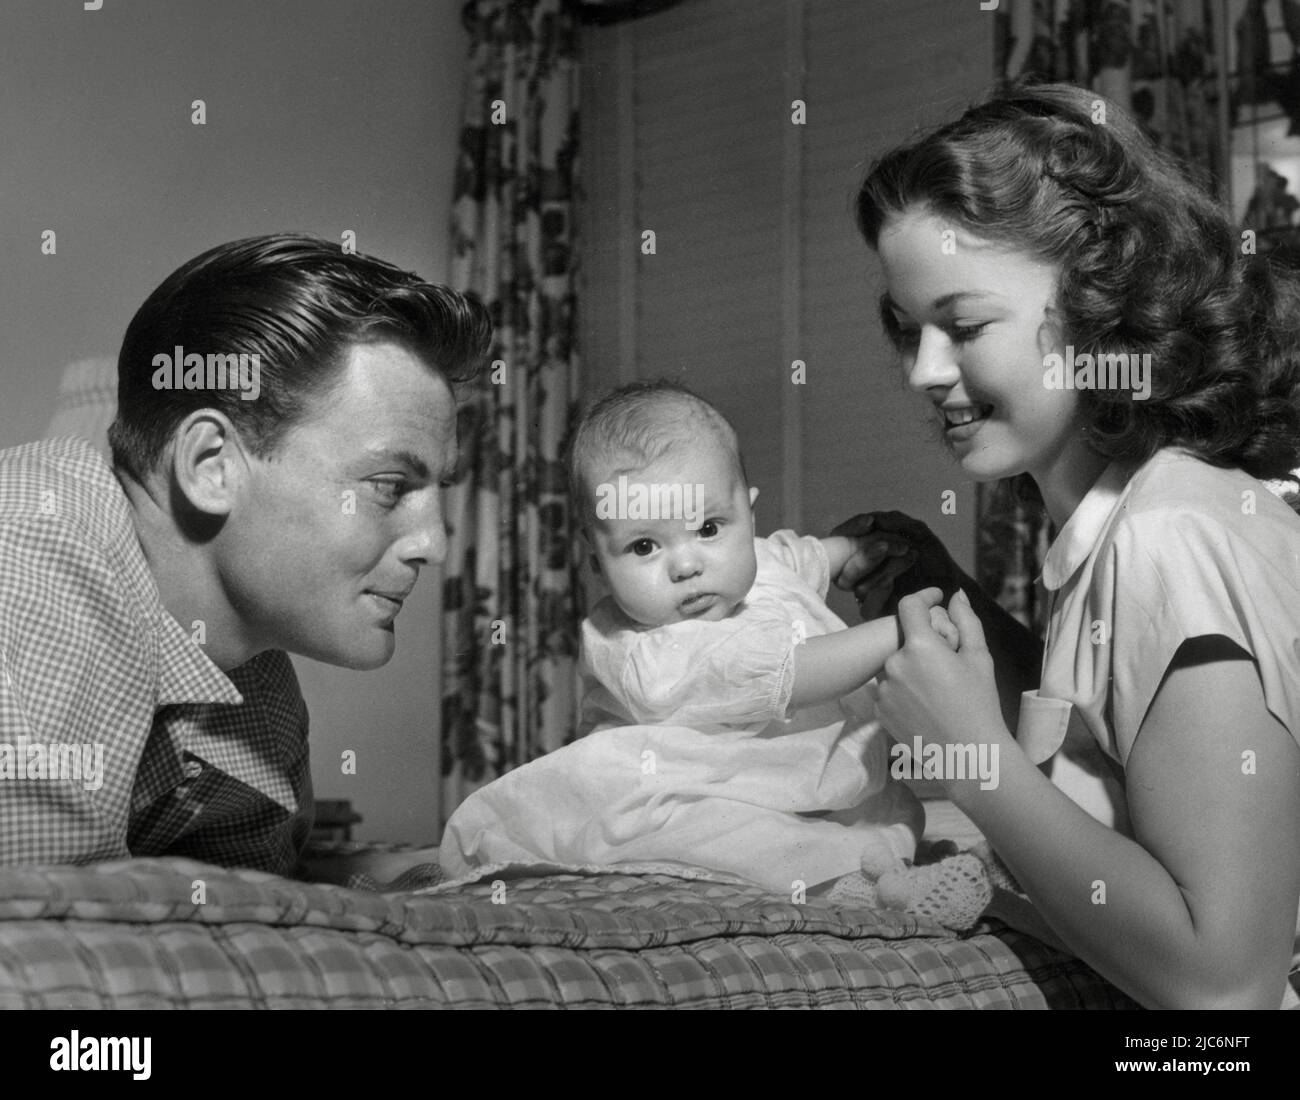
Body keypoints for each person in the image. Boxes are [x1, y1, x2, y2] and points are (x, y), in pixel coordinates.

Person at [833, 81, 1300, 1009]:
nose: (924, 372)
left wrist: (969, 755)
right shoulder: (1132, 518)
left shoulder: (1171, 535)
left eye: (963, 326)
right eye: (906, 329)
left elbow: (1229, 987)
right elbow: (1120, 752)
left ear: (1098, 304)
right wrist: (950, 599)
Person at [0, 234, 491, 874]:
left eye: (437, 491)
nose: (435, 544)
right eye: (389, 487)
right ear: (211, 466)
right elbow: (35, 931)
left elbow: (239, 902)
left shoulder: (256, 682)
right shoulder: (36, 538)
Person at [439, 381, 988, 917]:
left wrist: (852, 549)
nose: (685, 564)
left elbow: (797, 557)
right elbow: (794, 673)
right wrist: (897, 632)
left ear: (747, 515)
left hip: (805, 780)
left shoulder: (751, 561)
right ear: (595, 561)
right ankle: (860, 892)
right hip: (690, 791)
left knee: (886, 810)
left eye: (707, 527)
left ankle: (885, 861)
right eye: (644, 546)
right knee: (738, 839)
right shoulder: (646, 652)